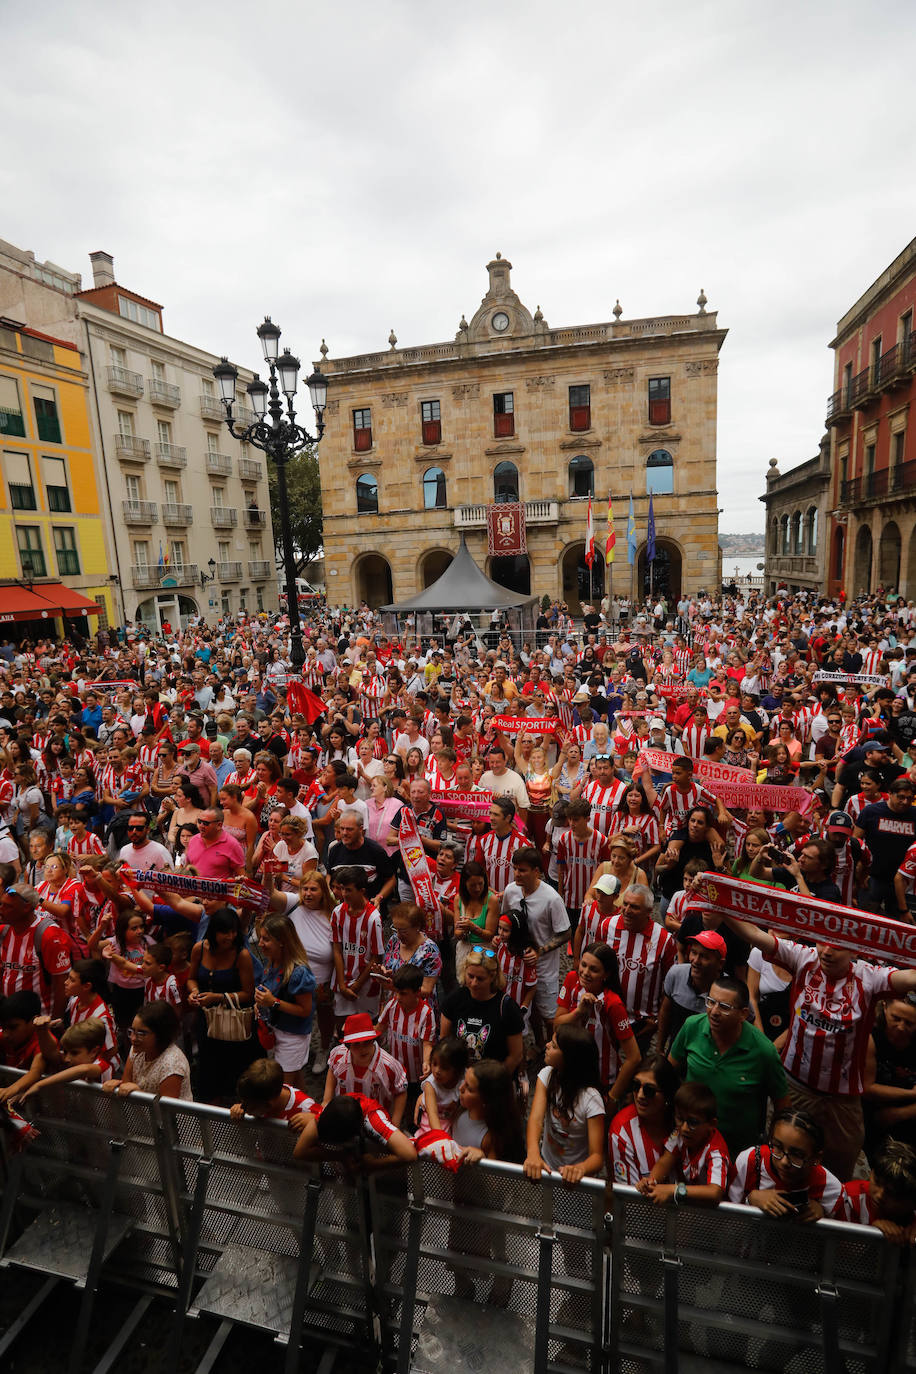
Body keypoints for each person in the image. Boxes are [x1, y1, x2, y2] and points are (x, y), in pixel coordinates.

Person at [719, 906, 916, 1179]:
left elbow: (910, 978)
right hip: (797, 1086)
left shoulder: (870, 978)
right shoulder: (804, 958)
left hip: (843, 1099)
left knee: (839, 1167)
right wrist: (718, 904)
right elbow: (756, 935)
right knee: (785, 1159)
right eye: (822, 941)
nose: (826, 951)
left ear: (856, 950)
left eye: (837, 945)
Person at [668, 974, 789, 1158]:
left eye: (724, 1007)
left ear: (743, 1014)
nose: (714, 1011)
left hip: (737, 1154)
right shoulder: (692, 1027)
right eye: (710, 1002)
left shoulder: (764, 1051)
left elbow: (782, 1105)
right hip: (689, 1143)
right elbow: (667, 1072)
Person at [500, 847, 570, 1043]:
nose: (516, 874)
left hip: (544, 967)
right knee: (530, 1012)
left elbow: (565, 933)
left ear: (536, 871)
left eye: (522, 870)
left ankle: (552, 1051)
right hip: (518, 967)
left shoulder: (552, 898)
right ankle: (539, 1044)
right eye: (515, 868)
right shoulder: (510, 890)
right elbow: (505, 919)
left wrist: (540, 951)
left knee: (548, 1015)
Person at [555, 942, 640, 1103]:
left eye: (593, 969)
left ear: (606, 974)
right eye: (584, 965)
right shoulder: (571, 979)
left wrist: (613, 1097)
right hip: (570, 1072)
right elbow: (557, 1025)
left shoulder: (613, 1003)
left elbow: (634, 1057)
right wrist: (579, 1012)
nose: (585, 972)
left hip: (601, 1081)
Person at [187, 907, 256, 1104]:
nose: (230, 936)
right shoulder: (199, 949)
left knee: (234, 1070)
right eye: (225, 932)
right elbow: (191, 979)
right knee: (208, 1066)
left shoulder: (241, 955)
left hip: (234, 1024)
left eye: (234, 931)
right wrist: (193, 993)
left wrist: (217, 997)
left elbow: (248, 994)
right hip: (207, 1021)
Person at [728, 1109, 843, 1222]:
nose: (784, 1162)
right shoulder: (749, 1161)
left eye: (796, 1155)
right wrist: (751, 1199)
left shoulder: (831, 1189)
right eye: (777, 1146)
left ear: (816, 1158)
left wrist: (823, 1214)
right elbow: (725, 1219)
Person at [524, 1025, 606, 1183]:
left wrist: (579, 1169)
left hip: (577, 1180)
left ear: (569, 1058)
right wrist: (533, 1153)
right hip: (548, 1168)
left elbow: (597, 1157)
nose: (547, 1045)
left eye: (554, 1045)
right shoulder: (547, 1075)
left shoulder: (591, 1099)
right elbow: (535, 1119)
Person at [600, 884, 676, 1051]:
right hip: (607, 1013)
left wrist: (657, 1021)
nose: (626, 910)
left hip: (642, 1023)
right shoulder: (607, 926)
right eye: (625, 904)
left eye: (634, 907)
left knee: (636, 1066)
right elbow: (596, 966)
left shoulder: (664, 940)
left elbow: (668, 986)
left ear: (649, 911)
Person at [637, 1081, 730, 1206]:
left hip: (713, 1216)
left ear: (712, 1124)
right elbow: (665, 1161)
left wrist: (673, 1190)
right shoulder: (679, 1133)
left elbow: (715, 1192)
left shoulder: (716, 1151)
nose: (685, 1128)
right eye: (680, 1119)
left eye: (693, 1122)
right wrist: (651, 1181)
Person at [440, 946, 524, 1075]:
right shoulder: (454, 1000)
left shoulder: (507, 1008)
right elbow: (444, 1041)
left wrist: (492, 1083)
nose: (473, 983)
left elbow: (515, 1056)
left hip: (492, 1081)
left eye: (480, 979)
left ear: (492, 977)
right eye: (470, 976)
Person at [253, 913, 316, 1087]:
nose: (260, 944)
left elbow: (305, 1011)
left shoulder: (299, 972)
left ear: (282, 941)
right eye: (260, 938)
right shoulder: (272, 962)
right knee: (295, 1081)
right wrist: (260, 1004)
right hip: (276, 1030)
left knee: (282, 1088)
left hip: (293, 1037)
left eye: (266, 939)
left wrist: (272, 1002)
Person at [324, 1011, 407, 1125]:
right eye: (356, 1044)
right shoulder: (338, 1055)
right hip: (344, 1118)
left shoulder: (389, 1065)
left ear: (373, 1040)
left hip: (377, 1121)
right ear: (347, 1045)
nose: (363, 1049)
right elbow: (332, 1070)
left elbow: (401, 1091)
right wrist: (326, 1100)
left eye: (367, 1042)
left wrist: (395, 1122)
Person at [610, 1054, 681, 1185]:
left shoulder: (683, 1123)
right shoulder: (623, 1130)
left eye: (649, 1090)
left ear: (667, 1094)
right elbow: (629, 1195)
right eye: (636, 1086)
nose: (640, 1095)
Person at [103, 1000, 193, 1100]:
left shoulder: (172, 1065)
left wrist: (138, 1093)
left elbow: (167, 1112)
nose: (133, 1038)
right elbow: (126, 1086)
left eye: (141, 1034)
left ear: (160, 1035)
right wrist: (115, 1087)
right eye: (132, 1031)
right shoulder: (136, 1050)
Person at [656, 931, 726, 1051]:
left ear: (720, 963)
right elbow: (665, 1012)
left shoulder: (729, 991)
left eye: (704, 956)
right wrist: (659, 1049)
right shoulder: (676, 974)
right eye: (693, 953)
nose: (695, 960)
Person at [451, 1059, 526, 1164]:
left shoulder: (491, 1139)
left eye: (469, 1088)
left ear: (486, 1099)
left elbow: (493, 1178)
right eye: (464, 1081)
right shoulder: (459, 1110)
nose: (460, 1088)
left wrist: (483, 1159)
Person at [843, 1140, 916, 1242]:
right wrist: (873, 1233)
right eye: (877, 1182)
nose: (880, 1195)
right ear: (872, 1172)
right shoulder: (847, 1197)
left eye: (892, 1192)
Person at [230, 1056, 319, 1133]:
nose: (244, 1109)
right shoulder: (262, 1095)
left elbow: (329, 1126)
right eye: (243, 1104)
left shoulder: (306, 1108)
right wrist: (238, 1109)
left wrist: (315, 1120)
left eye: (249, 1107)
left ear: (269, 1105)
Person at [416, 1035, 469, 1134]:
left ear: (458, 1070)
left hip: (454, 1118)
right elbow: (432, 1115)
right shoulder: (430, 1084)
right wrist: (441, 1139)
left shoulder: (465, 1078)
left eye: (444, 1067)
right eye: (434, 1064)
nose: (437, 1071)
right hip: (432, 1121)